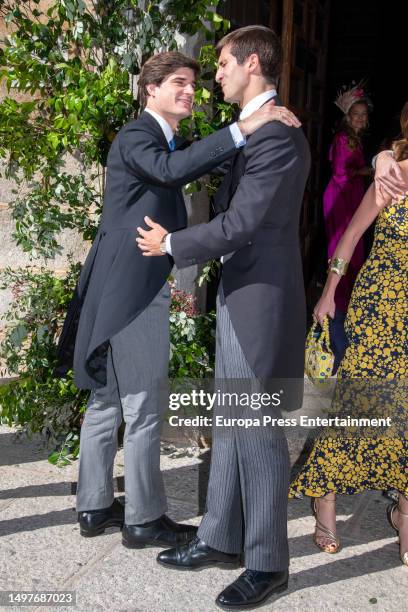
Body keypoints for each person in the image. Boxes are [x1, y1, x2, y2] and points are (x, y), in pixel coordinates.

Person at [54, 51, 299, 550]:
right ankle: (143, 518)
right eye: (180, 83)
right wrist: (245, 127)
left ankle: (95, 505)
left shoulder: (162, 138)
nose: (192, 91)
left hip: (118, 282)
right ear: (151, 89)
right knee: (143, 405)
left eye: (194, 83)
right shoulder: (138, 136)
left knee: (108, 401)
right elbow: (172, 170)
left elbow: (186, 161)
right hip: (134, 287)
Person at [136, 26, 311, 610]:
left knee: (258, 432)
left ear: (253, 62)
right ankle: (220, 536)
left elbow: (241, 225)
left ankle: (267, 563)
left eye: (222, 64)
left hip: (260, 299)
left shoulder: (280, 138)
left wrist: (172, 245)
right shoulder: (255, 129)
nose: (216, 75)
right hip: (239, 294)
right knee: (234, 424)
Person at [289, 102, 408, 567]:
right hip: (379, 307)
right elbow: (351, 237)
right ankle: (326, 496)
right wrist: (330, 293)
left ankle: (403, 511)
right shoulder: (392, 175)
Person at [322, 82, 373, 369]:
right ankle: (336, 326)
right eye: (357, 114)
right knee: (342, 254)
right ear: (347, 115)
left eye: (364, 114)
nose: (361, 118)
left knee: (353, 257)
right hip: (341, 200)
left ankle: (341, 316)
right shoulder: (343, 138)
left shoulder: (355, 138)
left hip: (352, 198)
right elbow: (342, 173)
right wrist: (370, 170)